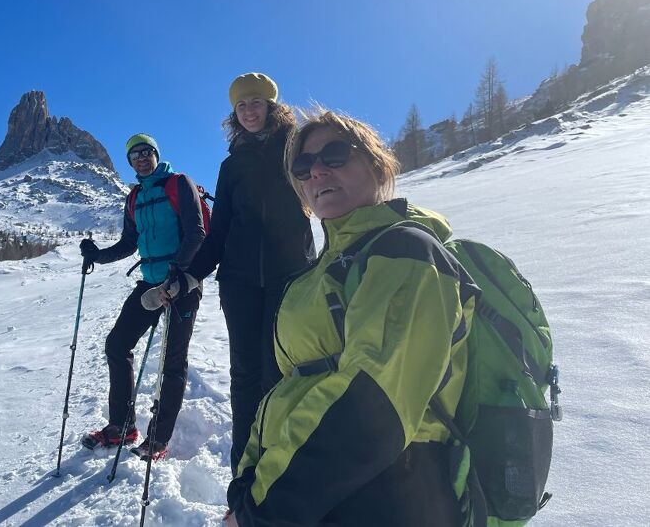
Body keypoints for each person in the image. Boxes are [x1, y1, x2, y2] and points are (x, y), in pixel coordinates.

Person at [225, 108, 477, 526]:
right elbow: (291, 389)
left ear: (378, 166)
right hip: (318, 495)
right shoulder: (325, 269)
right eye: (303, 166)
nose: (317, 172)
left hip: (388, 493)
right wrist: (249, 481)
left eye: (335, 155)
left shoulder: (406, 251)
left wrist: (263, 510)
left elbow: (374, 397)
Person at [186, 72, 314, 475]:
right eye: (241, 105)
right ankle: (243, 468)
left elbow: (324, 202)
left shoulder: (294, 152)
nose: (249, 110)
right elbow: (219, 230)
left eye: (256, 102)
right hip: (238, 283)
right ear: (234, 114)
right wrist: (189, 276)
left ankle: (277, 465)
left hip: (289, 278)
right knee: (243, 376)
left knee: (277, 373)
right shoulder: (231, 166)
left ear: (272, 107)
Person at [78, 133, 205, 461]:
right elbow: (128, 243)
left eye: (146, 152)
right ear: (130, 162)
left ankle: (158, 439)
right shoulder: (133, 197)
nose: (141, 158)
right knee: (117, 345)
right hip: (149, 284)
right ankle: (122, 427)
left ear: (156, 154)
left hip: (182, 285)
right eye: (135, 155)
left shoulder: (178, 184)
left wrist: (178, 271)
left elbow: (196, 232)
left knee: (172, 361)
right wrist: (97, 256)